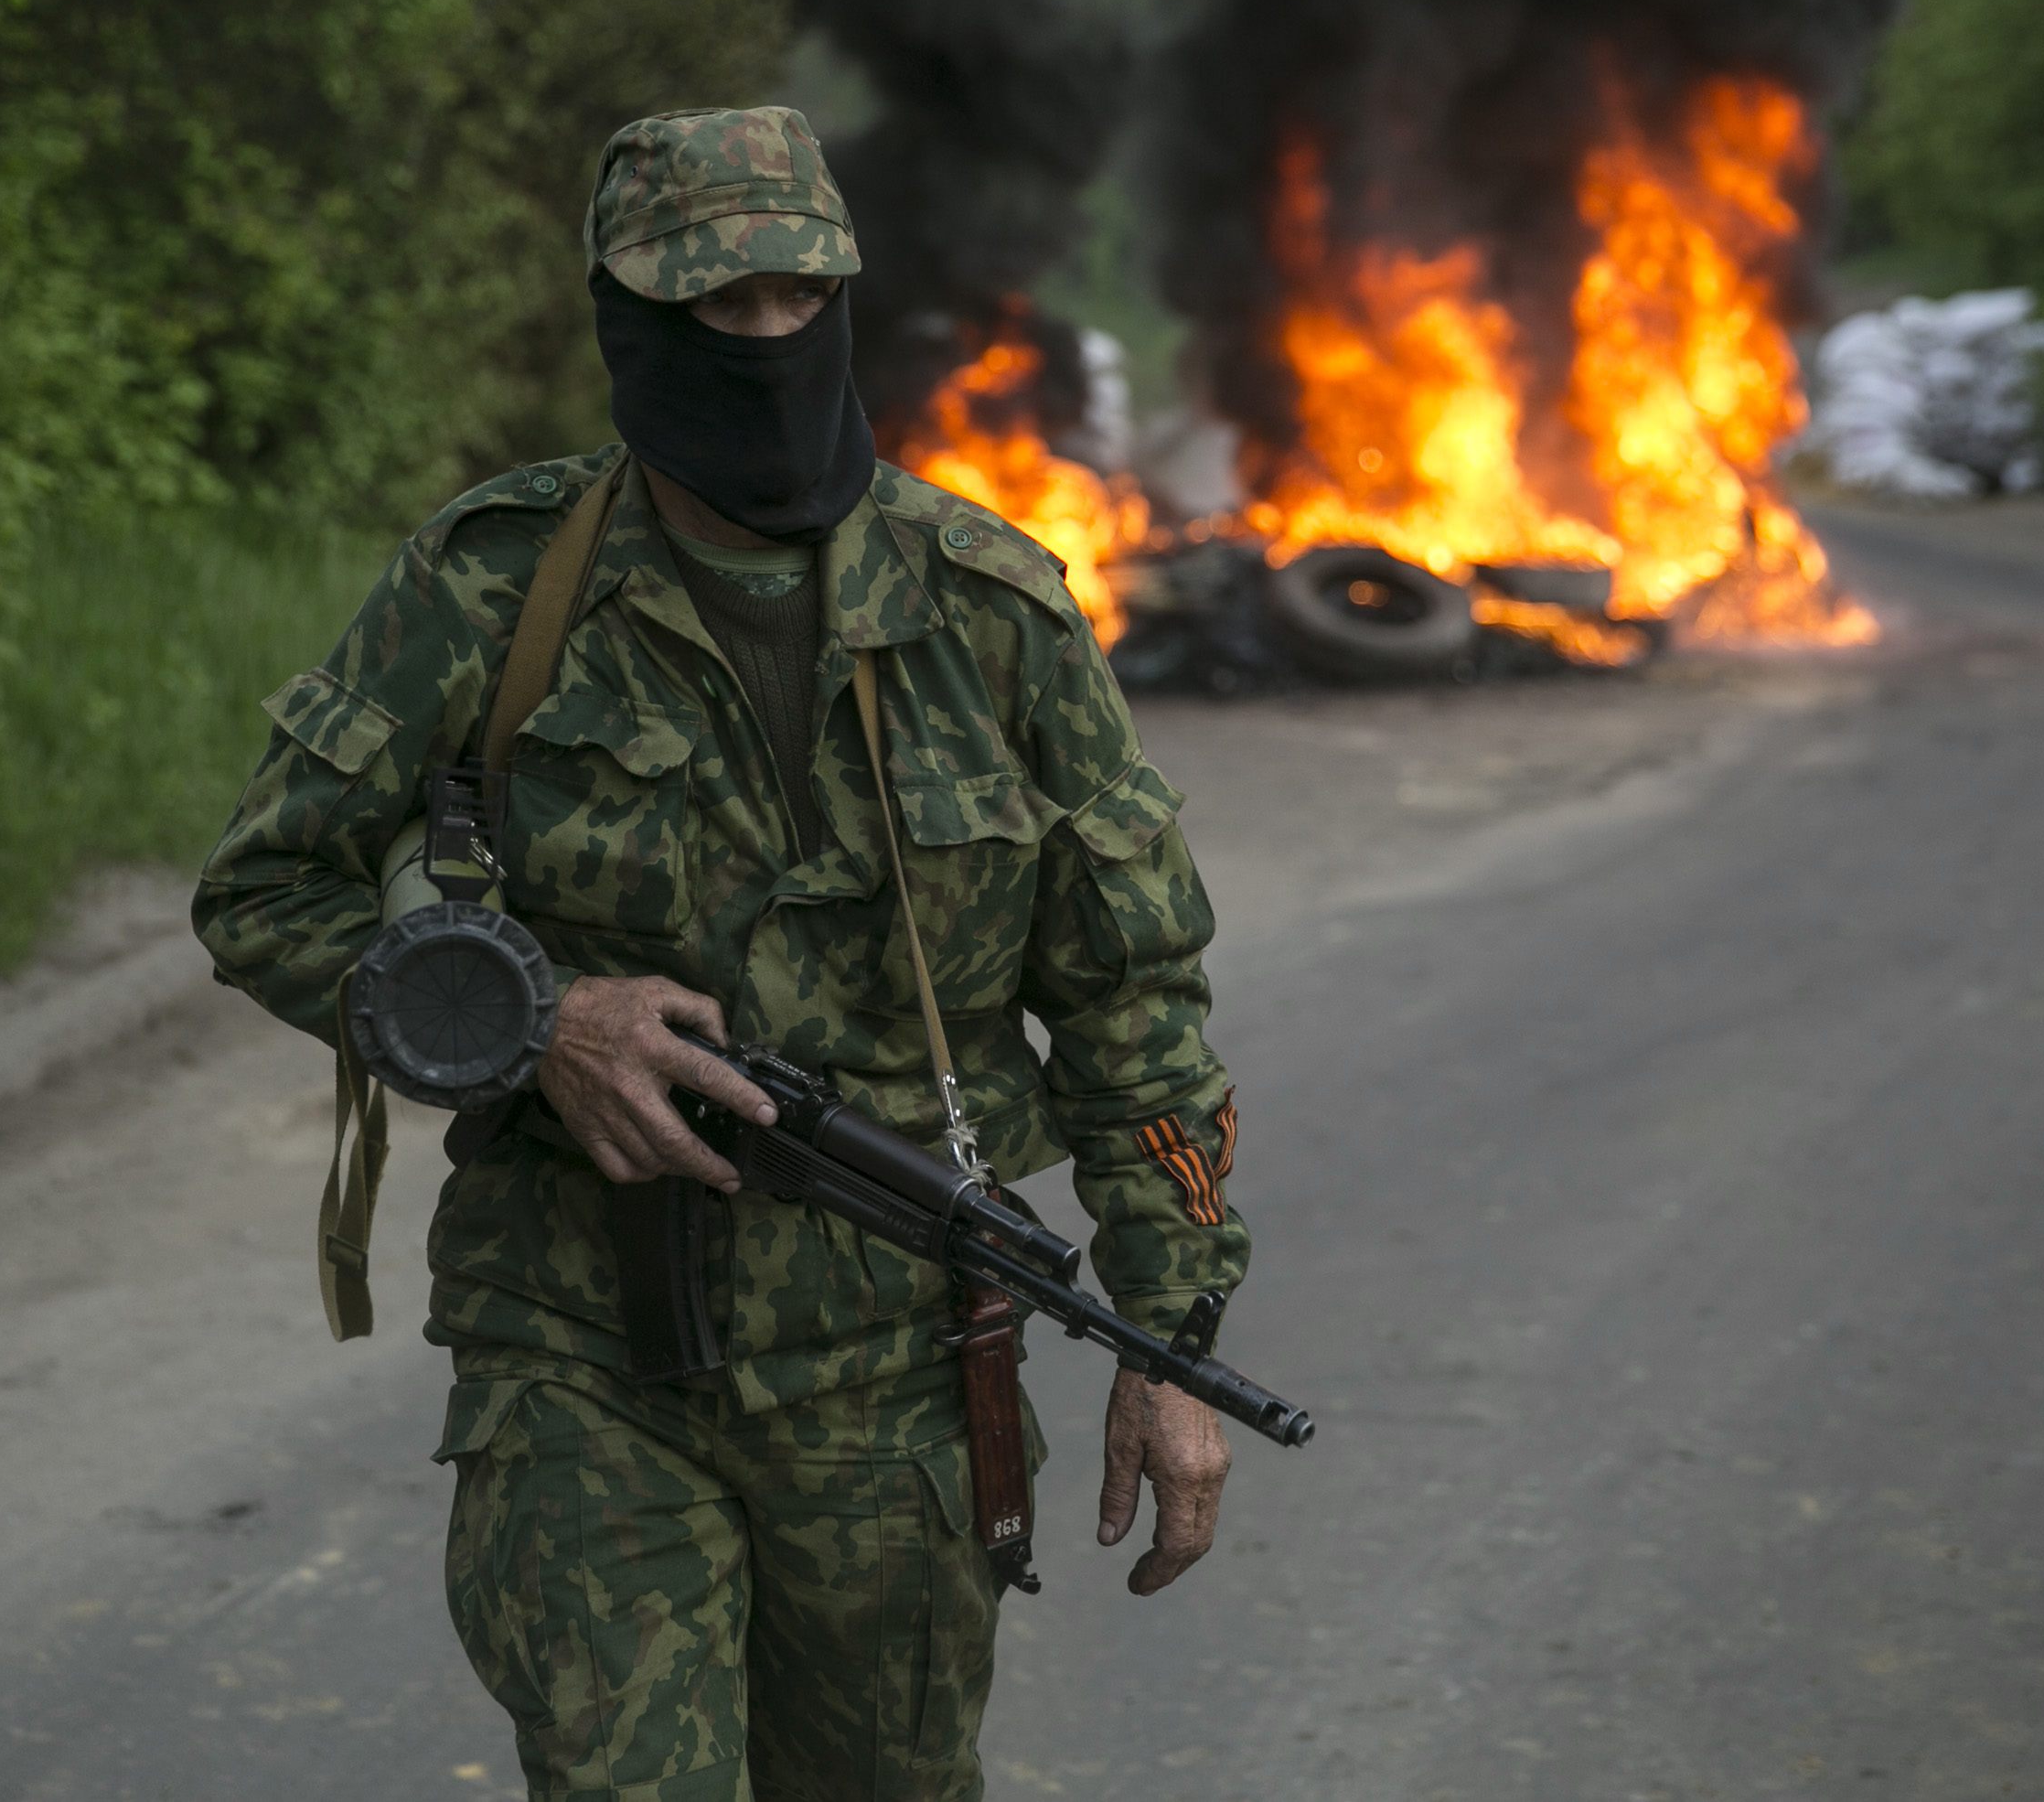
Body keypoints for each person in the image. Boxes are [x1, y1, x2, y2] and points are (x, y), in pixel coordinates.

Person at [192, 105, 1250, 1801]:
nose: (762, 341)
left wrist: (1167, 1340)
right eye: (712, 308)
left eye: (794, 298)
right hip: (585, 1361)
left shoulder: (992, 612)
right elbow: (268, 891)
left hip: (902, 1381)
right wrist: (540, 1022)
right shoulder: (493, 588)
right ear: (626, 317)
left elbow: (1135, 1008)